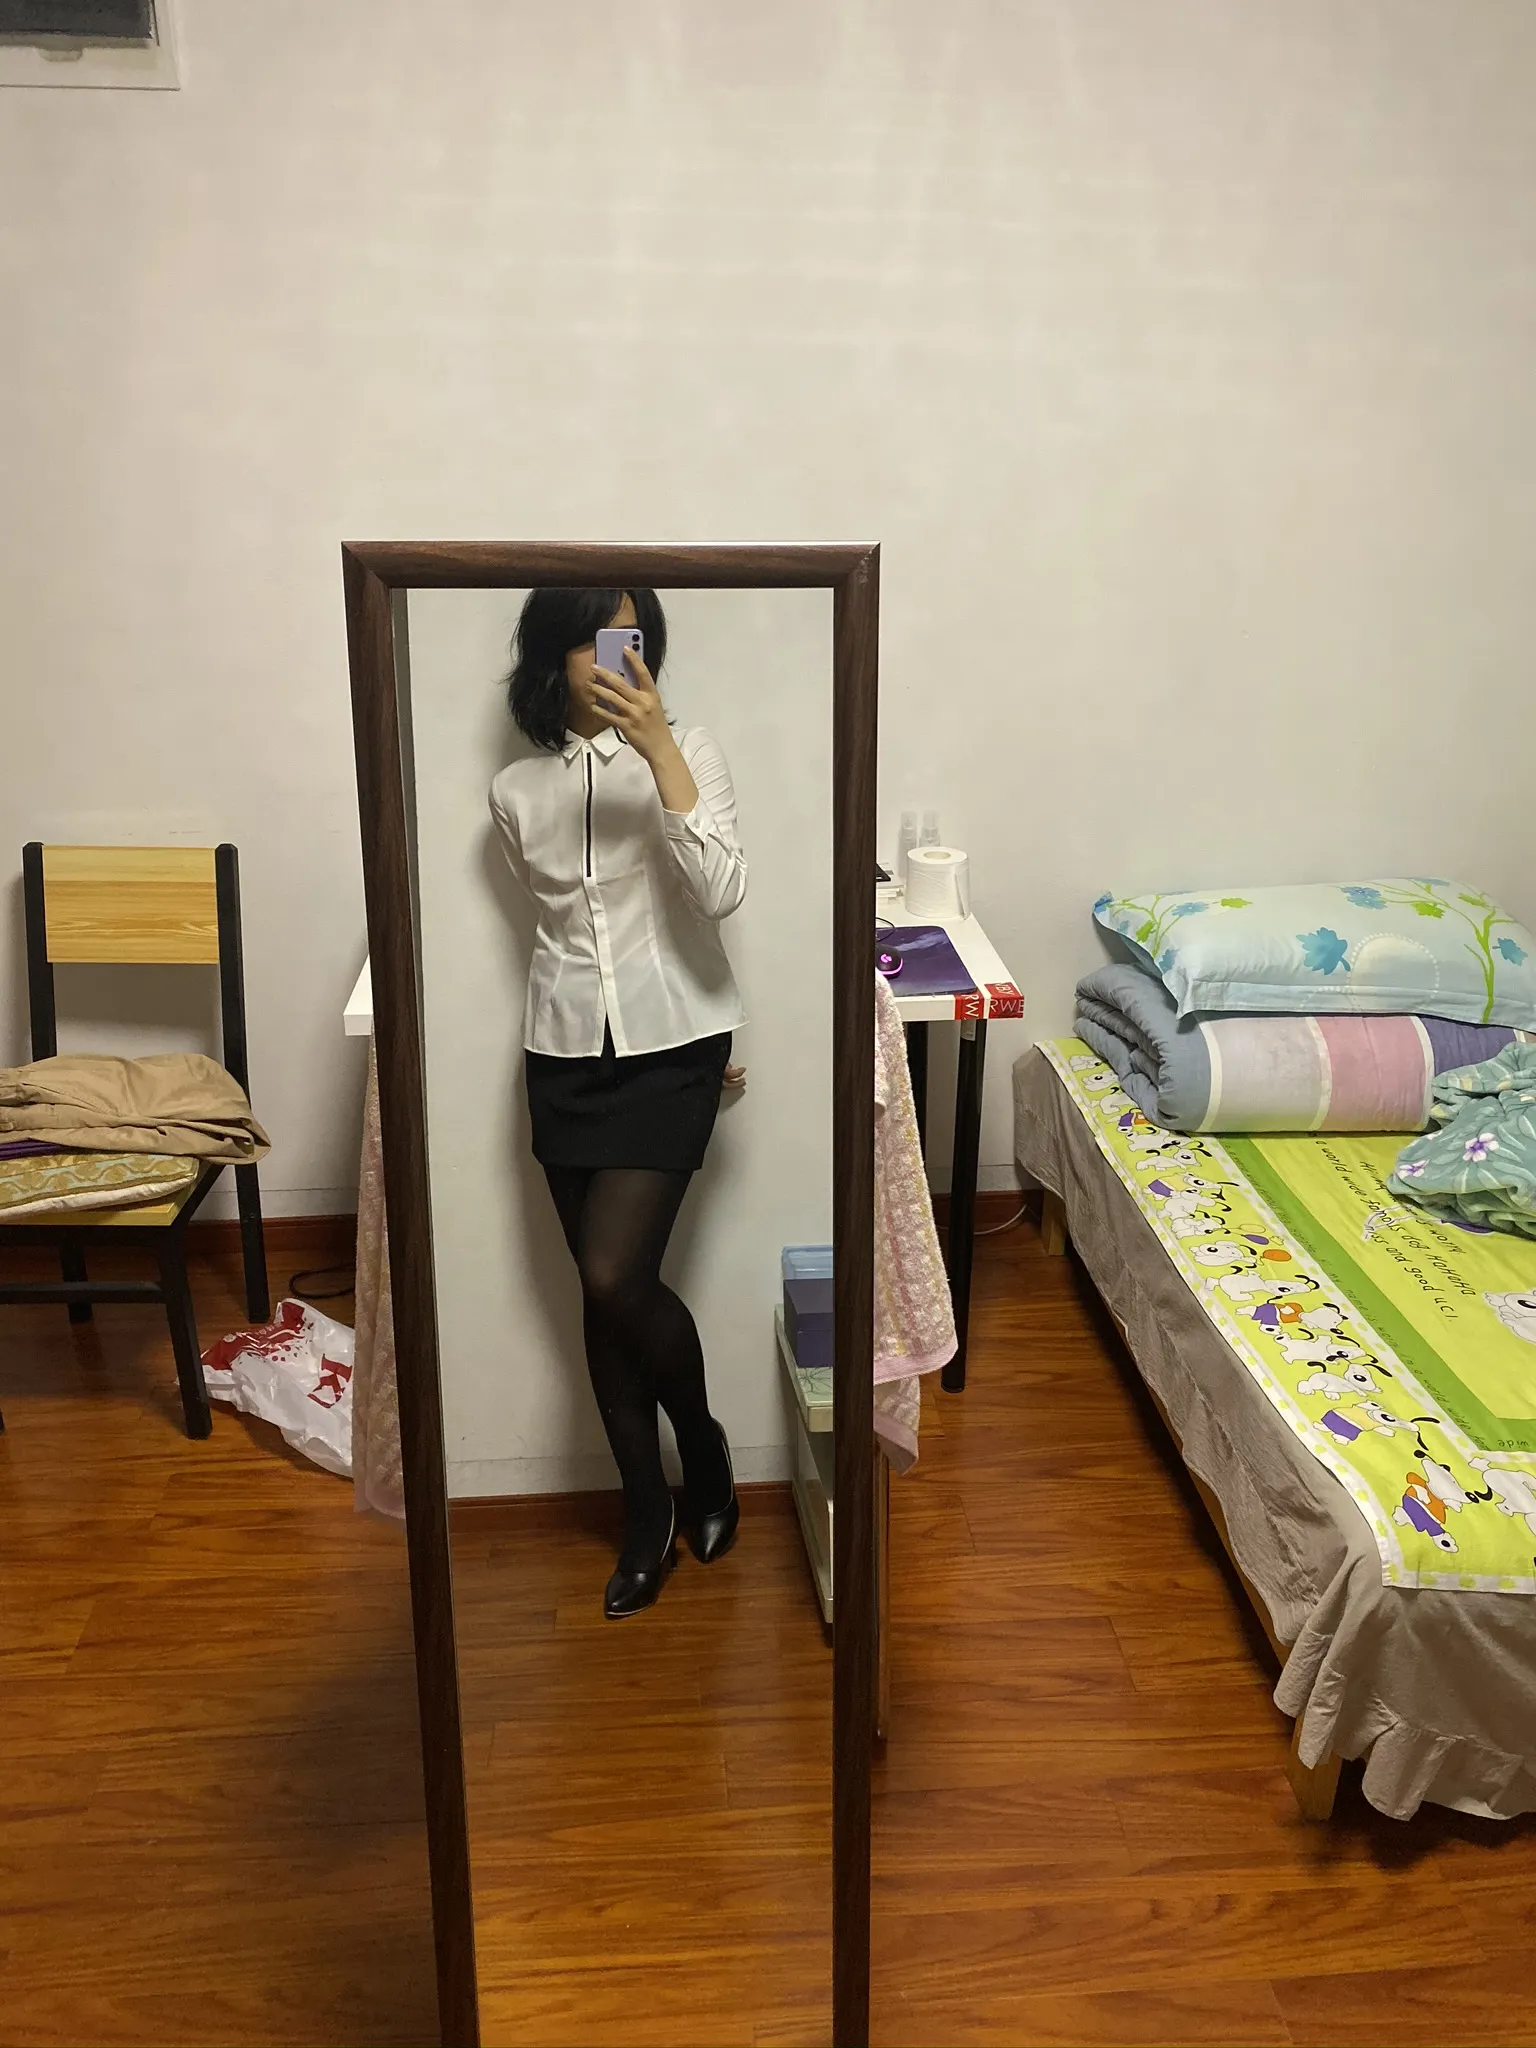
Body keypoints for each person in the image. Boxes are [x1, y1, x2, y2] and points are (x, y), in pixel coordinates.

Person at [489, 587, 747, 1617]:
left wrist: (660, 752)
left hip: (676, 1044)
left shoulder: (691, 752)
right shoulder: (514, 791)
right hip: (562, 1052)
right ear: (554, 656)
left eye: (628, 638)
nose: (613, 659)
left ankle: (704, 1447)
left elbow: (720, 891)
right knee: (603, 1295)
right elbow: (551, 922)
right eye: (592, 640)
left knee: (611, 1272)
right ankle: (649, 1510)